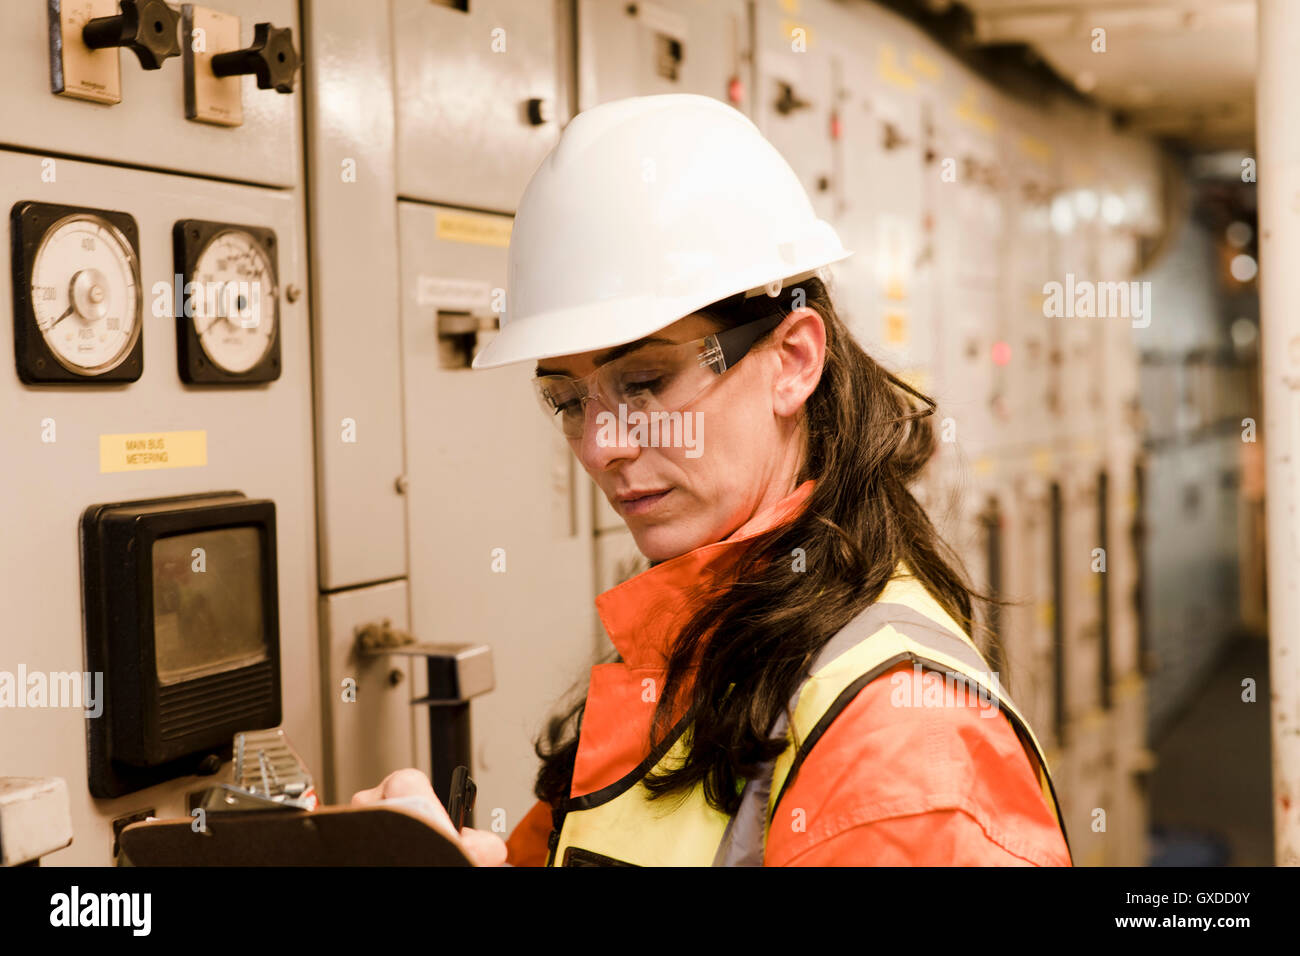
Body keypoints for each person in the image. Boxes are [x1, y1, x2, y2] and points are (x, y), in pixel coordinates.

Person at [353, 93, 1071, 867]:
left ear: (793, 360)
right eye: (565, 400)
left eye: (646, 383)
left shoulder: (900, 756)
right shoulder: (710, 637)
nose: (601, 446)